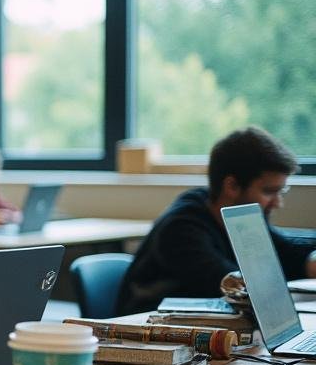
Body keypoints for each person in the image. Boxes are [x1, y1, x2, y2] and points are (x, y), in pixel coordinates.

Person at [117, 126, 316, 315]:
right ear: (232, 186)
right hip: (148, 331)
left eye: (281, 192)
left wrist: (308, 261)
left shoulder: (240, 217)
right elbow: (232, 286)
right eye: (269, 191)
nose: (278, 203)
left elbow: (284, 251)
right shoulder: (180, 230)